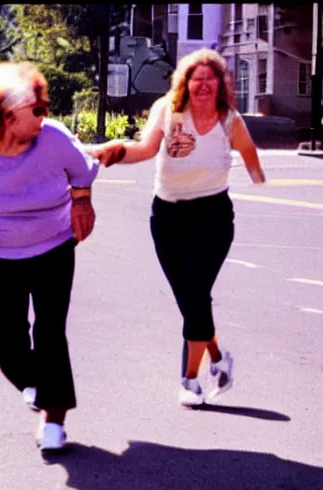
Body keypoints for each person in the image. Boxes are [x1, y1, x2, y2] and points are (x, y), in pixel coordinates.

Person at [86, 48, 266, 407]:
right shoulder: (167, 110)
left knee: (195, 293)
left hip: (212, 215)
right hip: (167, 216)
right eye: (195, 79)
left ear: (220, 84)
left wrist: (259, 181)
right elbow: (145, 149)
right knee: (189, 298)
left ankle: (190, 380)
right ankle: (218, 357)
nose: (202, 85)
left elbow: (250, 156)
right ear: (185, 82)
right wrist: (114, 151)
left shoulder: (229, 119)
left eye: (209, 79)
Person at [0, 61, 99, 451]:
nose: (45, 117)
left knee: (49, 332)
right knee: (7, 343)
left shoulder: (55, 137)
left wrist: (82, 202)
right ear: (8, 116)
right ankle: (36, 385)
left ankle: (54, 421)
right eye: (38, 110)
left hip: (54, 246)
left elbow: (82, 171)